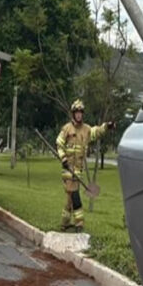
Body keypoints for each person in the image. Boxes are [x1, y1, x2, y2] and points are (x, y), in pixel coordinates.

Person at [56, 99, 114, 233]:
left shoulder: (86, 129)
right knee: (75, 195)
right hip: (67, 168)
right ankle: (79, 224)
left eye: (80, 113)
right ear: (73, 114)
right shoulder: (66, 129)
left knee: (69, 198)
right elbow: (59, 144)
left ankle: (64, 224)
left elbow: (97, 131)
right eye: (76, 113)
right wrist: (63, 158)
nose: (79, 115)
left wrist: (107, 126)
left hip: (78, 169)